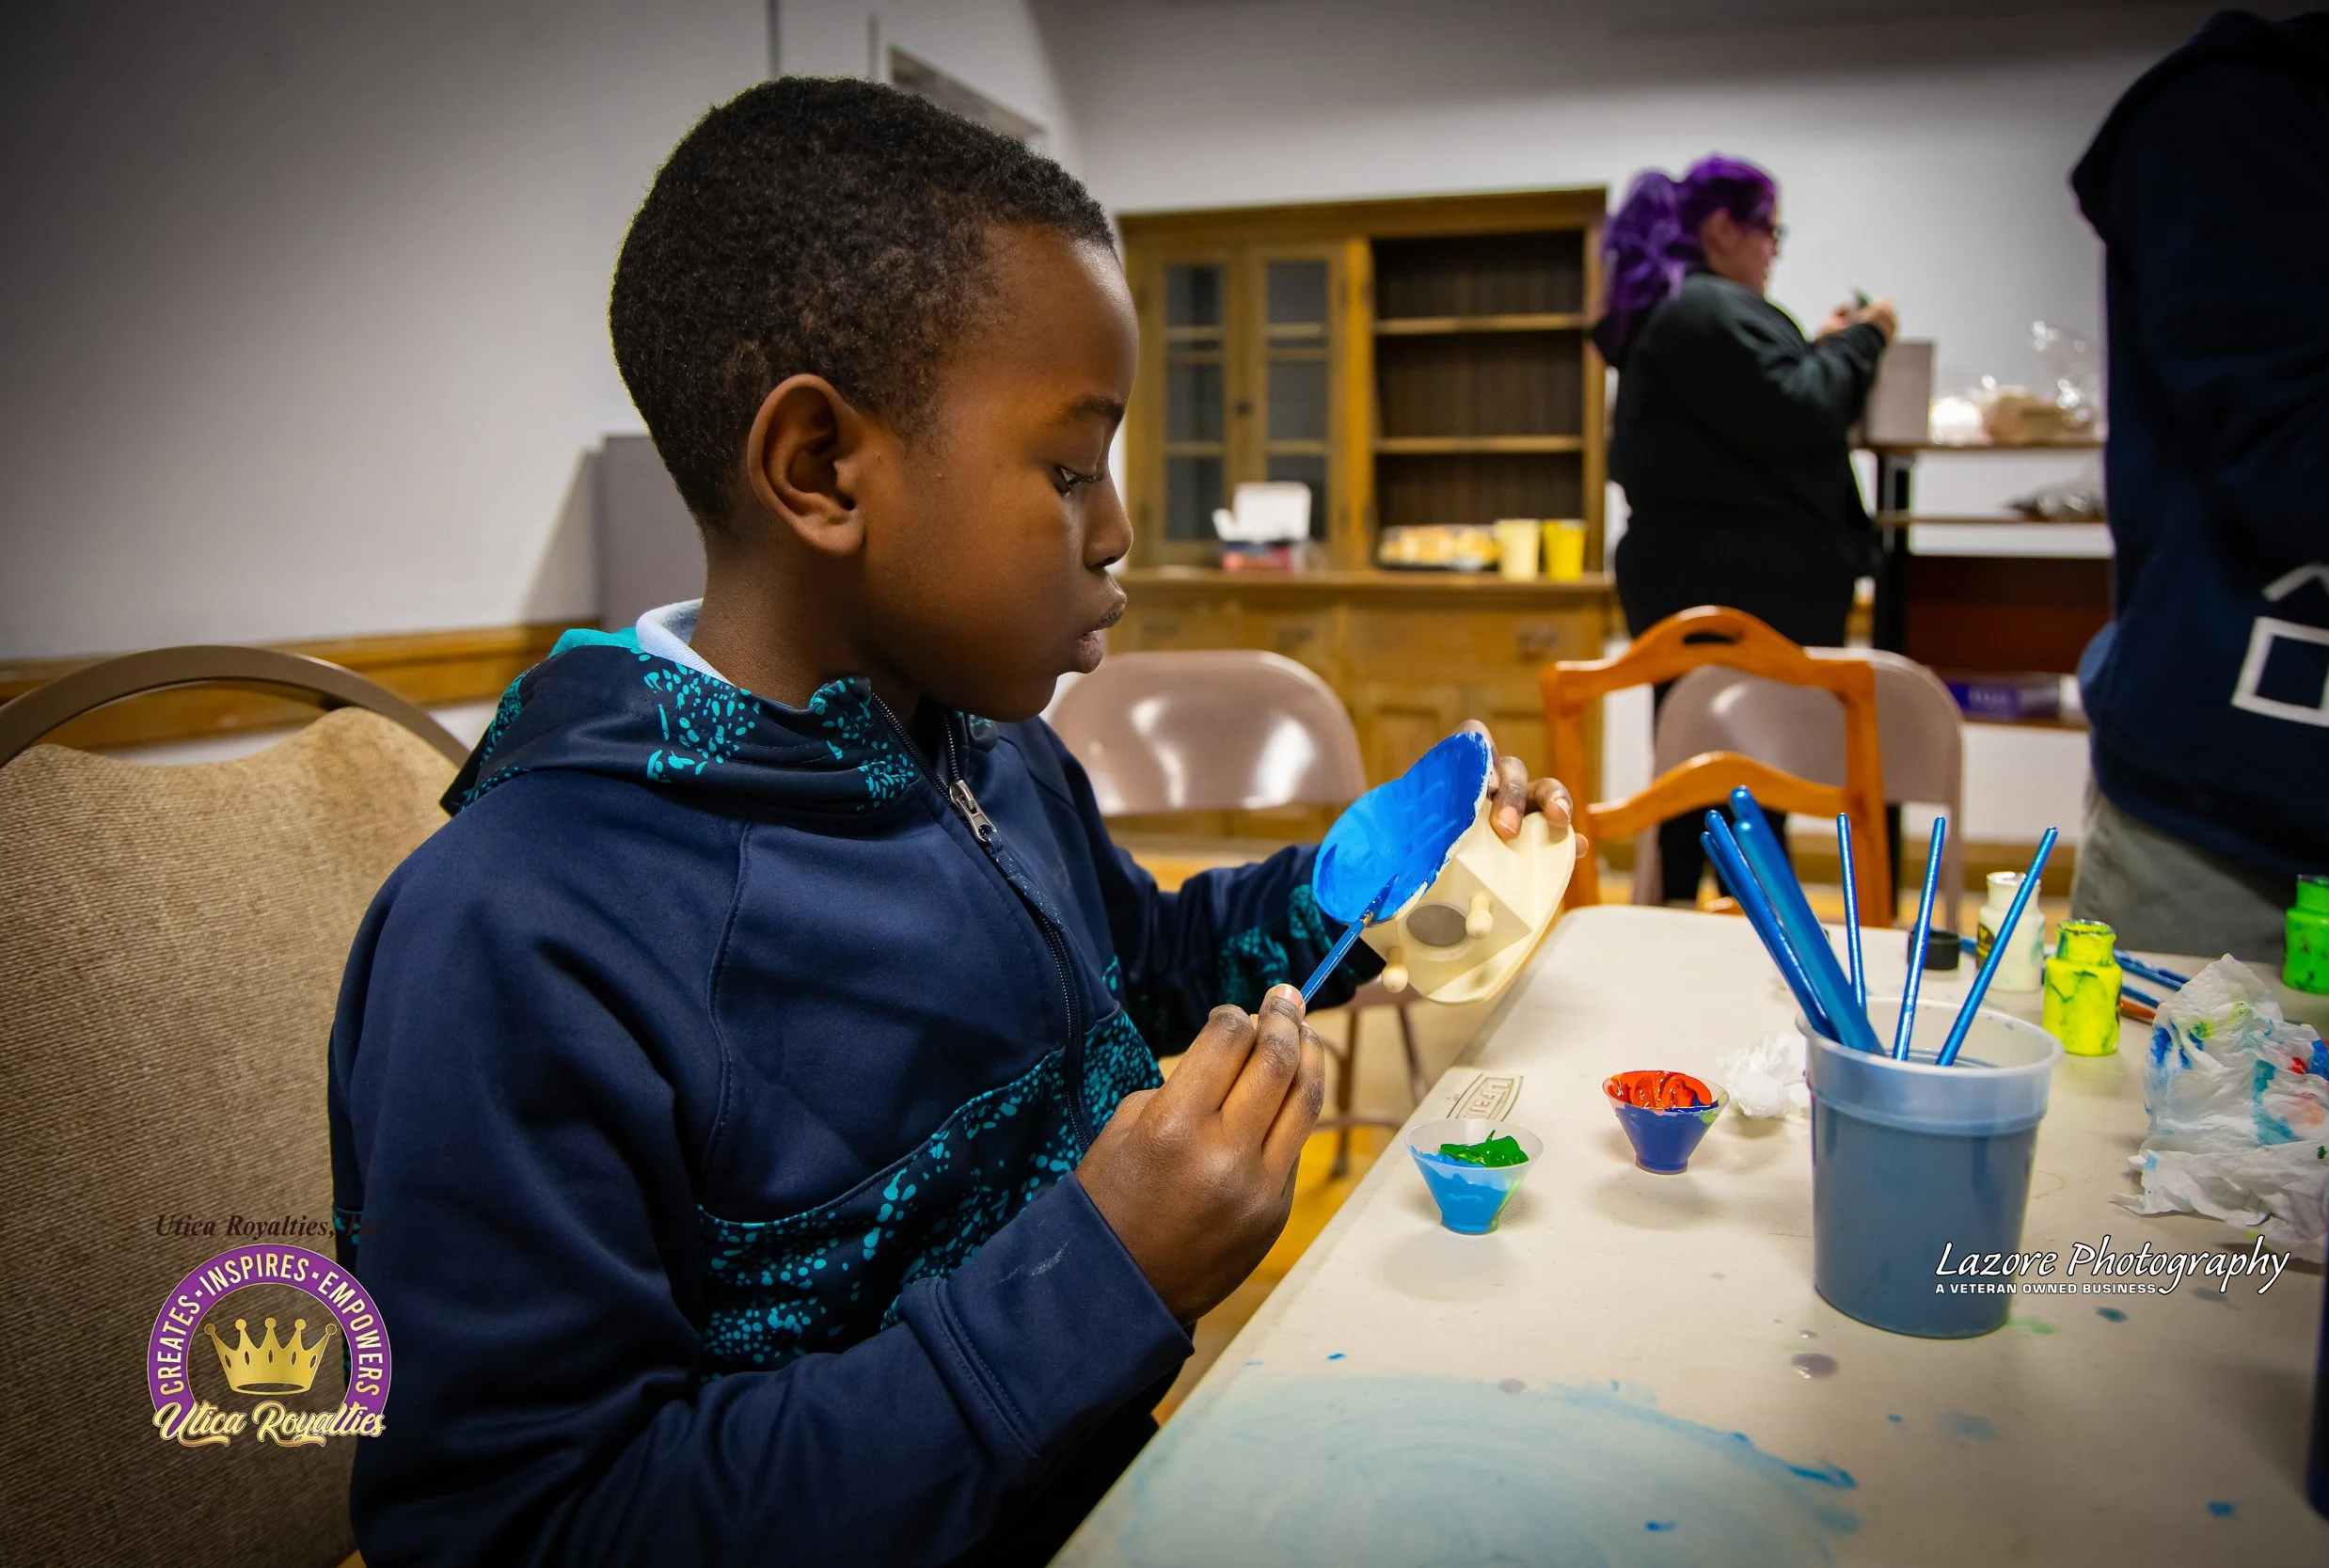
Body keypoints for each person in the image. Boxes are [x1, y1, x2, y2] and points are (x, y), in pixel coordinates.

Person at [326, 78, 1570, 1568]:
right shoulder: (519, 936)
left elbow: (1144, 962)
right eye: (1067, 467)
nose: (1114, 529)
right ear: (819, 470)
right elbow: (526, 1526)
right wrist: (1098, 1278)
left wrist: (1375, 870)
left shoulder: (990, 753)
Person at [2067, 8, 2329, 963]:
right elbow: (2302, 457)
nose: (1773, 243)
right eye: (1765, 227)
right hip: (2233, 811)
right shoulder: (2242, 115)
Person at [1596, 156, 1897, 902]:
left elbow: (1773, 395)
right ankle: (1765, 953)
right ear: (1724, 228)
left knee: (1707, 783)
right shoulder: (1704, 310)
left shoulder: (1690, 313)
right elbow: (1801, 407)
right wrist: (1865, 340)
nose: (1774, 250)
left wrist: (1824, 345)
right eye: (1770, 231)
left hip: (1712, 582)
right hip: (1741, 590)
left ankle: (1685, 932)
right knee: (1745, 785)